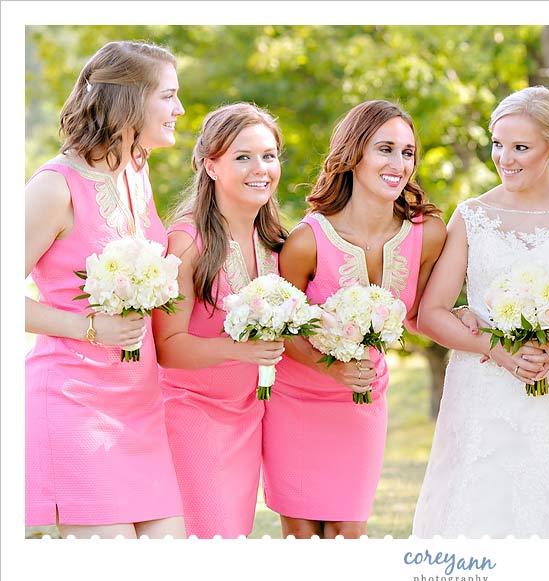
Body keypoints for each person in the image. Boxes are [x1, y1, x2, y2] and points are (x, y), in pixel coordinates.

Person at [412, 86, 549, 539]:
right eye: (498, 144)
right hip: (481, 387)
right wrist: (498, 349)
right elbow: (433, 313)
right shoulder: (472, 215)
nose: (506, 158)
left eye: (521, 147)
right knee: (475, 508)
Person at [261, 100, 447, 539]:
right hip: (297, 403)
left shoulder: (429, 234)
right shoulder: (307, 241)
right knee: (303, 539)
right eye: (385, 149)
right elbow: (281, 329)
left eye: (407, 152)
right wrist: (333, 366)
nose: (399, 164)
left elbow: (419, 314)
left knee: (349, 534)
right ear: (354, 154)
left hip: (363, 403)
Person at [25, 41, 186, 539]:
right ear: (131, 100)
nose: (179, 109)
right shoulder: (54, 187)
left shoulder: (137, 173)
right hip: (74, 403)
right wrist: (90, 327)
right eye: (169, 96)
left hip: (140, 403)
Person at [153, 103, 288, 538]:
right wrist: (240, 350)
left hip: (248, 418)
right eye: (242, 157)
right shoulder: (187, 241)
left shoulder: (275, 242)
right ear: (210, 165)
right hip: (191, 418)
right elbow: (168, 346)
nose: (260, 169)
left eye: (269, 156)